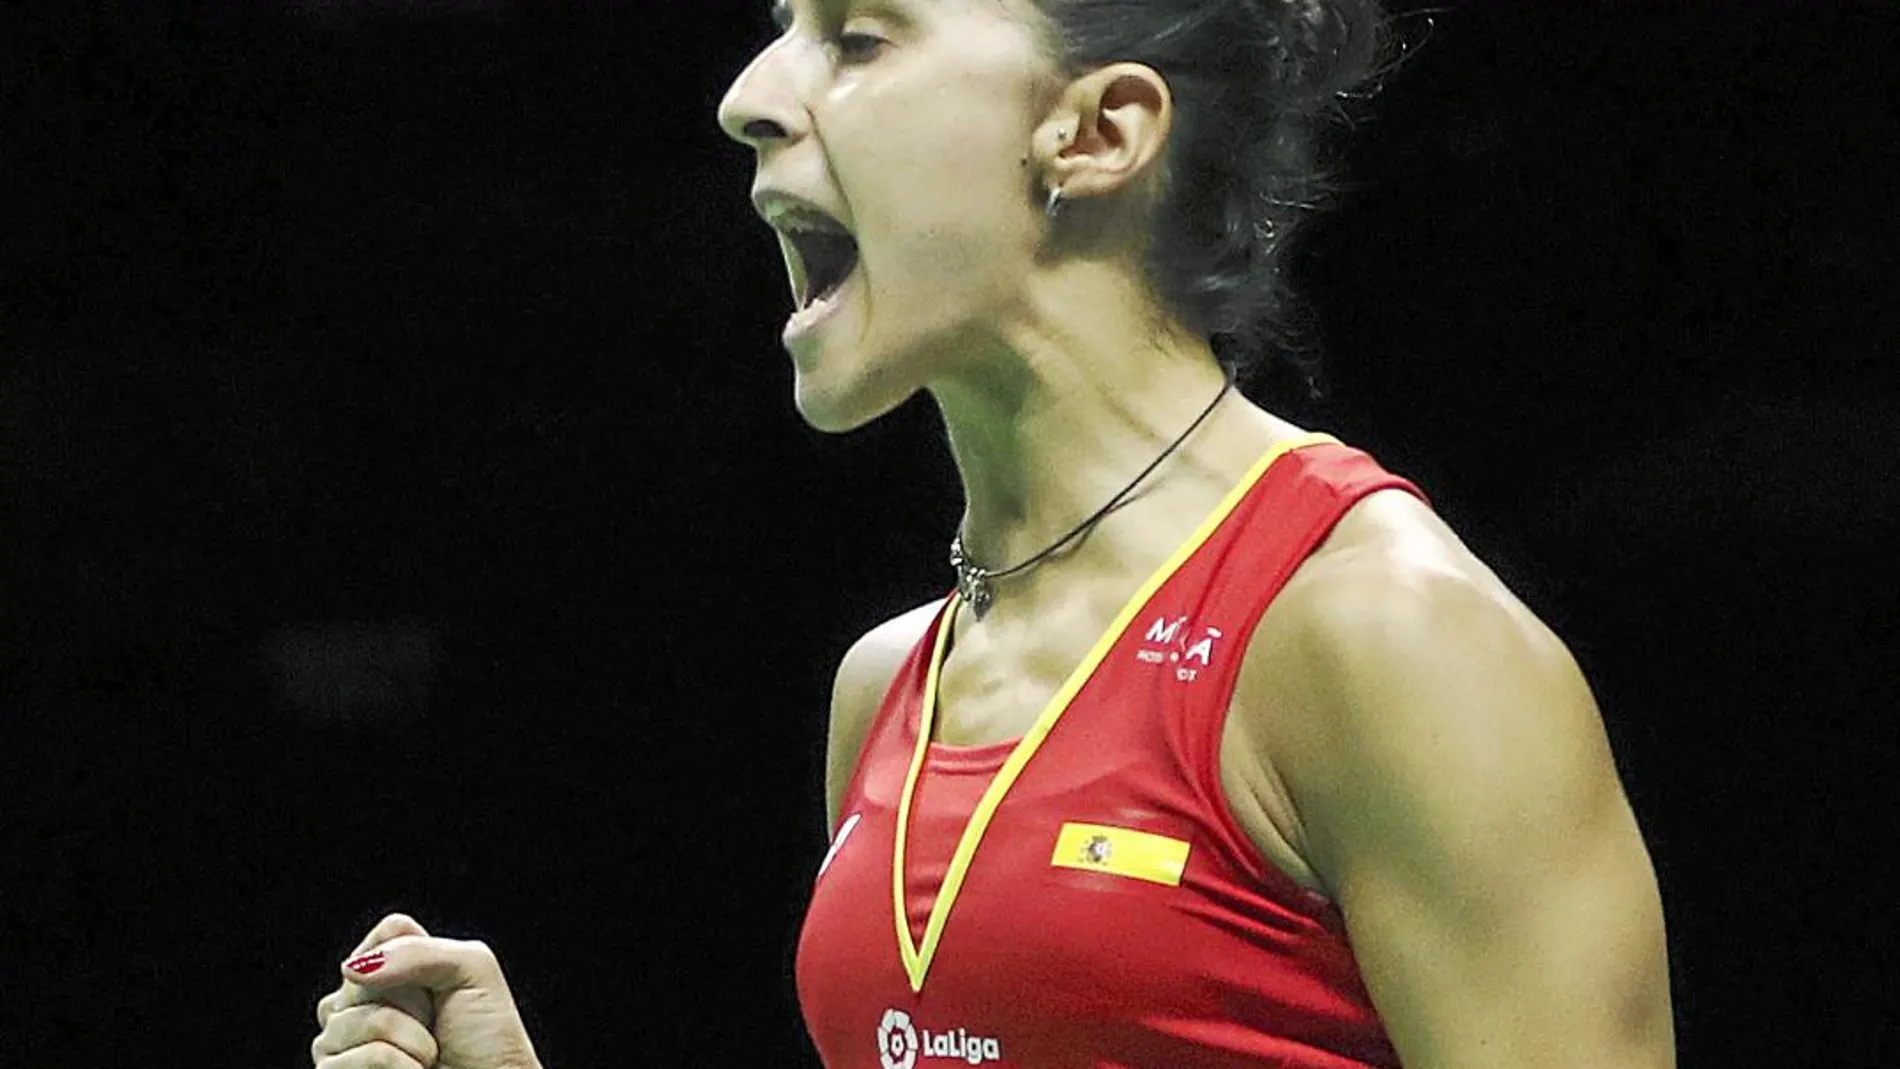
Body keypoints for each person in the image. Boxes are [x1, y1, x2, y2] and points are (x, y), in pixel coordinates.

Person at [311, 0, 1677, 1066]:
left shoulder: (1377, 637)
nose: (745, 100)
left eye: (858, 38)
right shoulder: (892, 687)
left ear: (1097, 132)